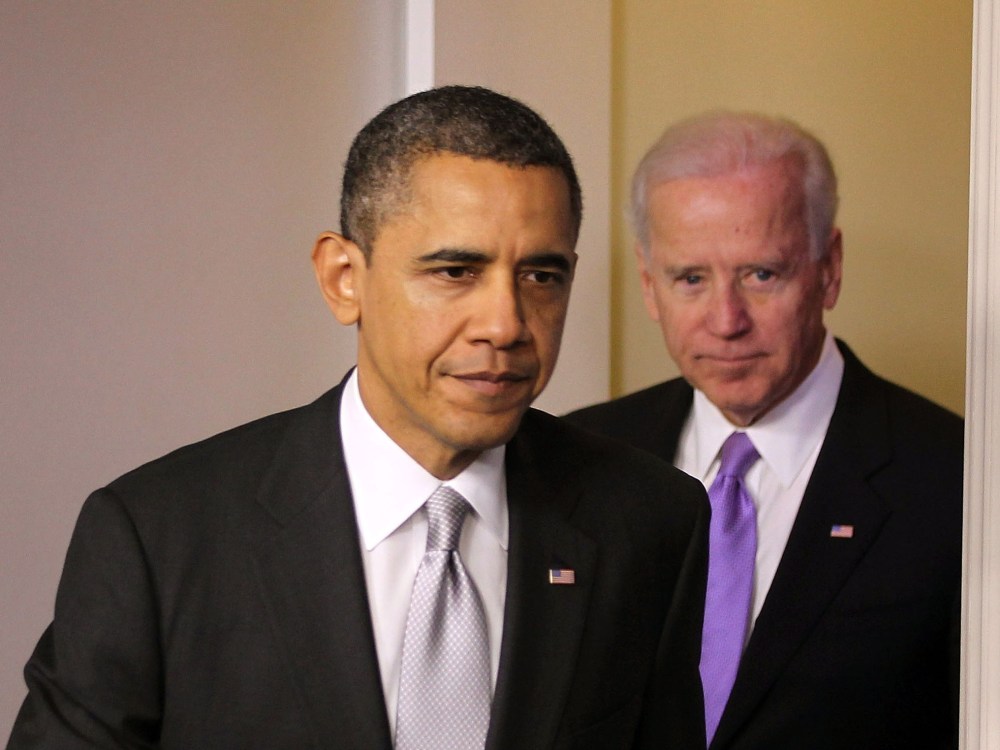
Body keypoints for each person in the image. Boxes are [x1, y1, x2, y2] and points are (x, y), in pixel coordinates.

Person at [8, 86, 710, 750]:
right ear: (344, 279)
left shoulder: (649, 523)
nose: (505, 322)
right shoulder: (157, 536)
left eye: (541, 276)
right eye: (454, 272)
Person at [566, 111, 962, 750]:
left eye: (761, 275)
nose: (726, 322)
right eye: (690, 279)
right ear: (649, 284)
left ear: (828, 268)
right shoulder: (580, 459)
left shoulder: (958, 482)